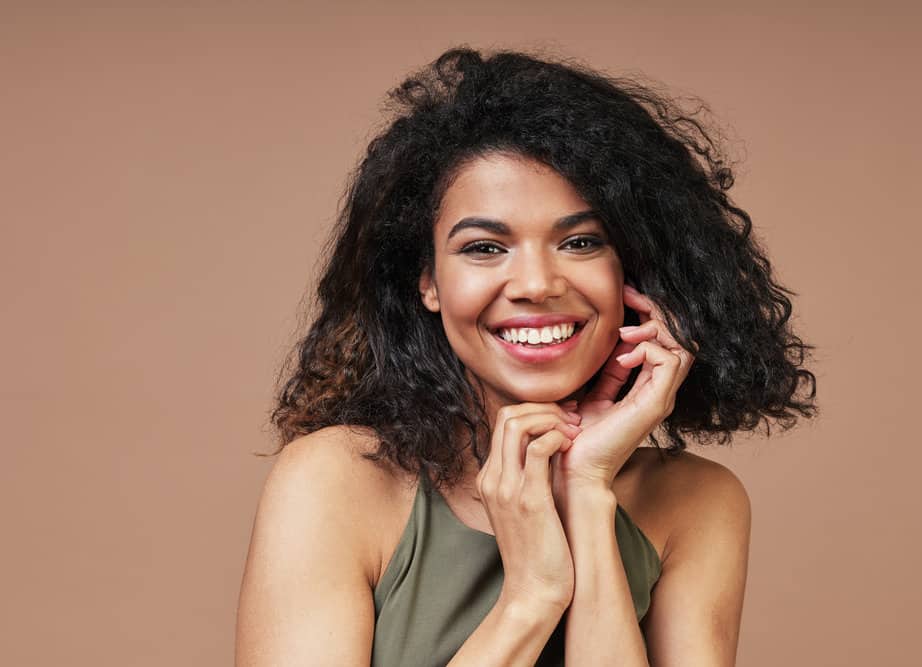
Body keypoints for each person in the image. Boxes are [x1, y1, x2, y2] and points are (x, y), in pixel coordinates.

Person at [235, 47, 817, 666]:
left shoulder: (696, 502)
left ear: (636, 271)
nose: (537, 284)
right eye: (485, 248)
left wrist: (587, 499)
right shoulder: (335, 482)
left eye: (581, 241)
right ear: (427, 282)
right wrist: (532, 598)